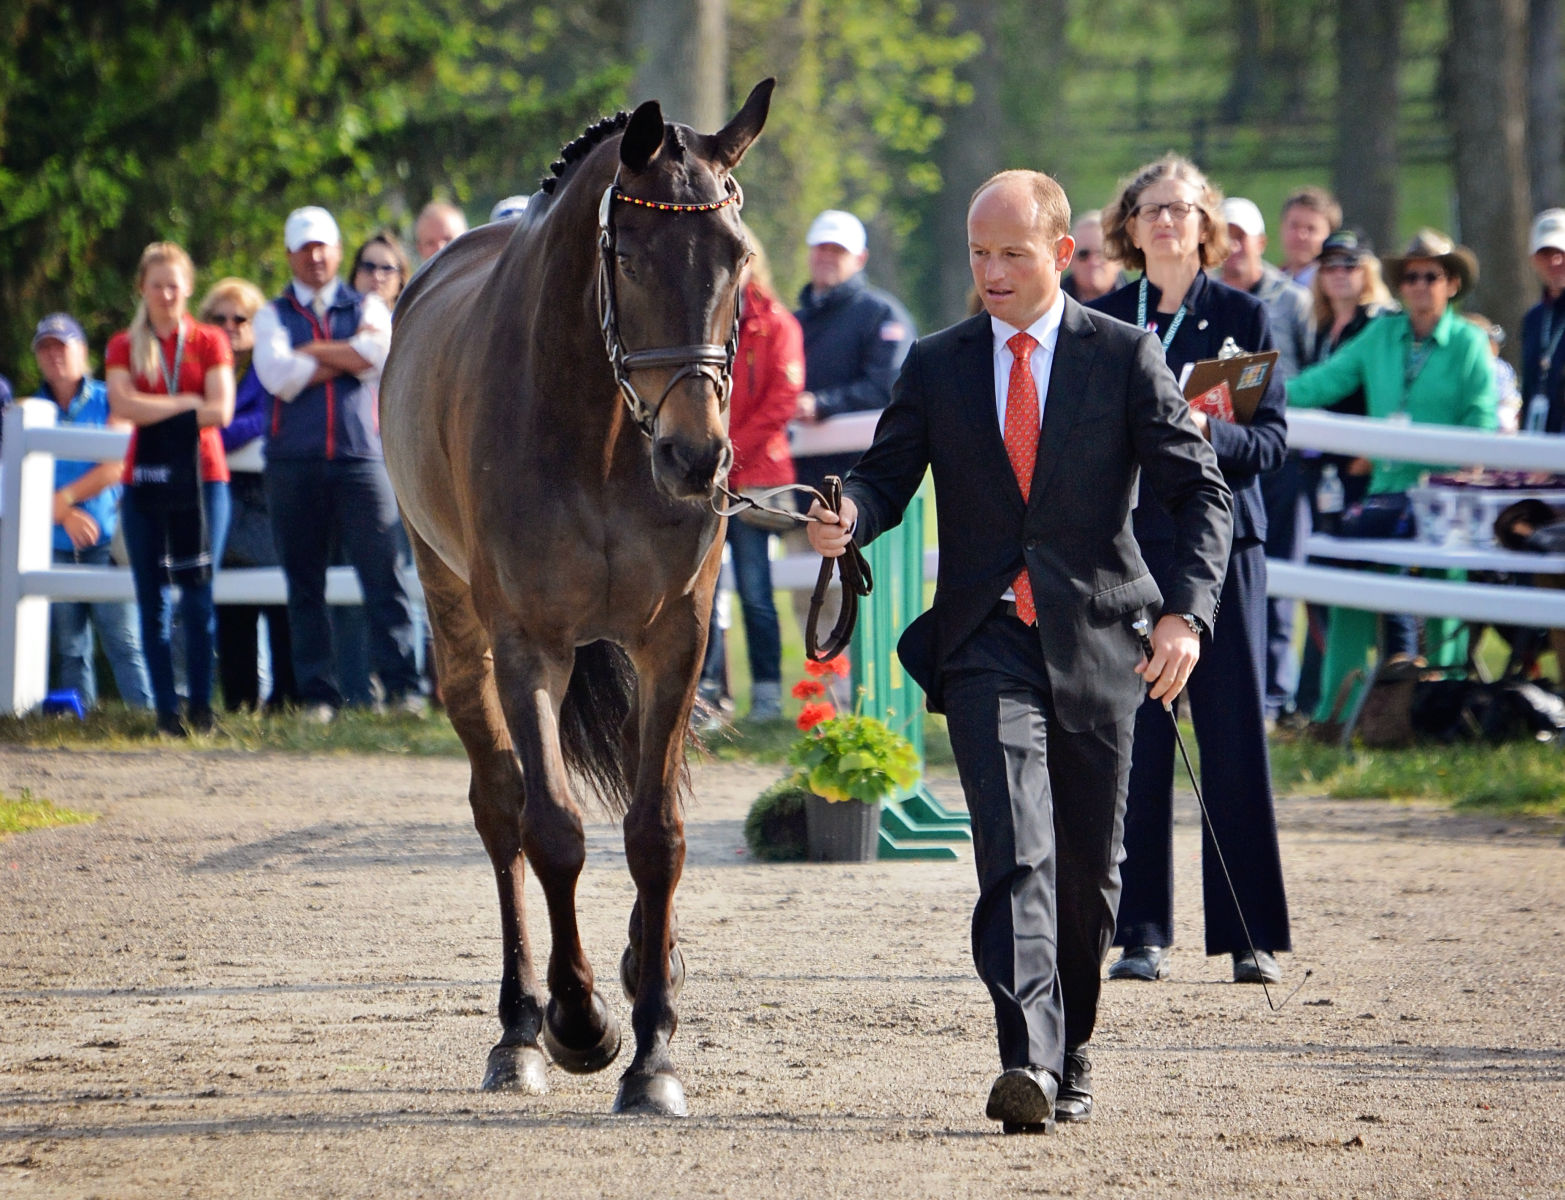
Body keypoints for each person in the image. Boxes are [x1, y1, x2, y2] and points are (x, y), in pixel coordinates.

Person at [809, 169, 1232, 1132]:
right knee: (1014, 851)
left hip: (1102, 643)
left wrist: (1185, 617)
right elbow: (883, 479)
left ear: (1057, 254)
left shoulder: (1123, 357)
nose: (989, 271)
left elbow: (1200, 493)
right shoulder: (938, 361)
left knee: (1088, 870)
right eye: (976, 252)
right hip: (984, 639)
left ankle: (1071, 1046)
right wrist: (849, 519)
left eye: (1009, 253)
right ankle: (1027, 1063)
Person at [1092, 157, 1292, 988]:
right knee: (1133, 740)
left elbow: (1271, 446)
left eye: (1179, 209)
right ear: (1128, 227)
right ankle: (1139, 930)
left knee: (1233, 737)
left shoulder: (1241, 315)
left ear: (1205, 222)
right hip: (1133, 549)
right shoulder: (1102, 317)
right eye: (1149, 210)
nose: (1165, 222)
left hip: (1222, 549)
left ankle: (1248, 934)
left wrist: (1201, 433)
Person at [1288, 229, 1499, 723]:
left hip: (1447, 500)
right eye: (1411, 276)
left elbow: (1482, 422)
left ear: (1451, 284)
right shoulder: (1380, 335)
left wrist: (1455, 472)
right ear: (1400, 285)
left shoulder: (1470, 343)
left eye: (1432, 275)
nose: (1421, 285)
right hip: (1385, 496)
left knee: (1445, 594)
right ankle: (1332, 717)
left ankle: (1441, 716)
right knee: (1349, 590)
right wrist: (1247, 393)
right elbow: (1321, 383)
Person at [251, 205, 421, 721]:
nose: (316, 256)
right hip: (292, 462)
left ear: (337, 251)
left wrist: (311, 352)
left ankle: (402, 689)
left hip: (359, 459)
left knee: (383, 577)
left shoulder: (366, 304)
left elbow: (378, 354)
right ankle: (318, 696)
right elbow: (278, 376)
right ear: (290, 255)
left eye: (323, 246)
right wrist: (344, 356)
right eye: (305, 248)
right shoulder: (270, 312)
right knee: (305, 584)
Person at [105, 243, 235, 736]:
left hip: (204, 479)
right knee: (152, 600)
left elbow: (220, 411)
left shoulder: (209, 341)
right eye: (157, 284)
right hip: (145, 480)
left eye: (174, 284)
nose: (166, 293)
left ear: (189, 288)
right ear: (142, 287)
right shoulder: (124, 345)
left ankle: (201, 709)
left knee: (198, 598)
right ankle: (165, 713)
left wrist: (155, 405)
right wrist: (185, 404)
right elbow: (122, 404)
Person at [789, 209, 915, 668]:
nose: (827, 257)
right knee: (811, 593)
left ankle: (870, 683)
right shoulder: (794, 321)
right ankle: (824, 694)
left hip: (869, 487)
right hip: (805, 484)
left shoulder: (881, 314)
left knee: (866, 590)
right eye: (821, 247)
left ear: (860, 257)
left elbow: (890, 385)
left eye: (837, 249)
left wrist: (821, 403)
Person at [698, 239, 803, 722]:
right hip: (707, 478)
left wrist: (727, 449)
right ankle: (705, 693)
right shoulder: (703, 318)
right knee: (702, 593)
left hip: (749, 480)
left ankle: (766, 692)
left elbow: (782, 399)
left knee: (756, 594)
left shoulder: (777, 324)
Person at [1220, 195, 1316, 720]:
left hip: (1282, 456)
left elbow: (1315, 368)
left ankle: (1275, 692)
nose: (1234, 247)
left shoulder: (1290, 301)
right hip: (1219, 458)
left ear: (1260, 242)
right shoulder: (1205, 303)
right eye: (1225, 235)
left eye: (1243, 236)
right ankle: (1238, 693)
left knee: (1278, 578)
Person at [31, 313, 153, 711]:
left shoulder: (110, 399)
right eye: (45, 348)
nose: (53, 355)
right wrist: (63, 514)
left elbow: (117, 463)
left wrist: (61, 501)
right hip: (55, 540)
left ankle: (147, 718)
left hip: (106, 539)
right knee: (70, 648)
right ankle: (77, 721)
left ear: (83, 353)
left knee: (124, 641)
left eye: (61, 346)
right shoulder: (30, 410)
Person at [1292, 230, 1390, 720]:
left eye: (1350, 265)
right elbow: (1317, 387)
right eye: (1329, 266)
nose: (1340, 274)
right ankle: (1328, 701)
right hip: (1322, 472)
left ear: (1367, 271)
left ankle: (1386, 696)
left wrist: (1375, 451)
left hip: (1364, 474)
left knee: (1371, 585)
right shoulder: (1321, 327)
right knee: (1325, 586)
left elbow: (1389, 396)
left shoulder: (1380, 324)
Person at [199, 277, 298, 713]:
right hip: (219, 500)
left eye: (241, 318)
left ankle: (288, 701)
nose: (230, 325)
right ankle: (238, 702)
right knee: (232, 611)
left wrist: (206, 433)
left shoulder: (269, 366)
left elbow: (261, 420)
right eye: (219, 318)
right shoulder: (200, 369)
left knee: (282, 608)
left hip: (269, 500)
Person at [1519, 208, 1565, 435]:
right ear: (1534, 260)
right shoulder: (1534, 319)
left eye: (1561, 251)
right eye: (1546, 252)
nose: (1555, 260)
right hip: (1535, 447)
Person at [1278, 186, 1342, 288]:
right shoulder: (1267, 286)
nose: (1301, 236)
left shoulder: (1336, 291)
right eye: (1294, 226)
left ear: (1329, 235)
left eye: (1311, 229)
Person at [1060, 209, 1126, 303]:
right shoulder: (1054, 306)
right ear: (1069, 259)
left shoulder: (1140, 306)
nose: (1093, 262)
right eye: (1083, 254)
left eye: (1103, 254)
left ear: (1119, 259)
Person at [349, 232, 412, 309]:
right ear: (356, 274)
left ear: (400, 279)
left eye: (387, 268)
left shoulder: (413, 320)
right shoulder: (332, 317)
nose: (377, 276)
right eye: (368, 266)